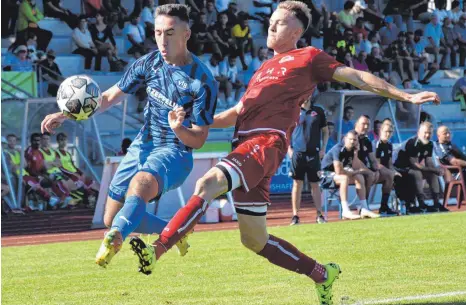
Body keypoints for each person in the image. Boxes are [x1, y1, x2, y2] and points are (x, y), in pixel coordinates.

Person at [126, 2, 440, 304]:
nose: (271, 25)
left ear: (296, 32)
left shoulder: (309, 57)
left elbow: (356, 76)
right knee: (254, 240)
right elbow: (237, 111)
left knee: (206, 185)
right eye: (271, 20)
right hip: (246, 147)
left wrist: (405, 96)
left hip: (265, 143)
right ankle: (322, 274)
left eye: (279, 22)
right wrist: (189, 122)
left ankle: (156, 250)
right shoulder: (263, 68)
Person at [41, 4, 218, 268]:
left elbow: (200, 138)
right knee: (111, 216)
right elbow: (110, 97)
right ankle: (174, 229)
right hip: (143, 144)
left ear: (186, 34)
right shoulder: (148, 63)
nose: (162, 40)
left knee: (140, 185)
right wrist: (67, 113)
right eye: (158, 32)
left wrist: (178, 128)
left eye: (169, 33)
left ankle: (115, 240)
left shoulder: (202, 81)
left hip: (176, 151)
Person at [288, 96, 329, 225]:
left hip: (314, 153)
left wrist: (323, 148)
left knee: (315, 184)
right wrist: (289, 148)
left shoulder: (318, 111)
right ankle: (295, 216)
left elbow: (325, 131)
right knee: (297, 184)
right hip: (298, 153)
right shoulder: (293, 111)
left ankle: (319, 215)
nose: (305, 97)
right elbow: (286, 131)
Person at [393, 122, 448, 213]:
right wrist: (434, 169)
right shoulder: (413, 143)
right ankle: (421, 204)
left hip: (411, 168)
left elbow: (429, 162)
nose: (427, 135)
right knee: (417, 173)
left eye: (429, 133)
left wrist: (436, 171)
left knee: (432, 174)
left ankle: (436, 204)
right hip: (400, 168)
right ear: (419, 133)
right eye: (425, 132)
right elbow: (415, 164)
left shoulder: (429, 144)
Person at [321, 130, 366, 220]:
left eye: (355, 140)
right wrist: (355, 172)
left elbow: (356, 167)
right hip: (325, 176)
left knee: (359, 177)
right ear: (345, 139)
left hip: (337, 175)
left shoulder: (352, 150)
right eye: (350, 139)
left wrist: (356, 153)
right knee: (344, 178)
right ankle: (345, 211)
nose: (352, 142)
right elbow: (338, 171)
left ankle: (364, 208)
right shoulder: (338, 149)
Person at [372, 123, 399, 215]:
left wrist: (394, 171)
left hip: (384, 172)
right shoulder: (376, 144)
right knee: (390, 176)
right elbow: (377, 164)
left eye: (390, 132)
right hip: (373, 171)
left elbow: (390, 163)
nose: (388, 134)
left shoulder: (389, 145)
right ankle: (383, 206)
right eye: (386, 131)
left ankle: (406, 205)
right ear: (381, 131)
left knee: (402, 176)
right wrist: (391, 172)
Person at [434, 126, 466, 203]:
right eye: (445, 133)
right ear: (439, 136)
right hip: (456, 173)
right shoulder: (441, 147)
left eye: (449, 133)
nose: (448, 135)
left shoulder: (450, 145)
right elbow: (454, 162)